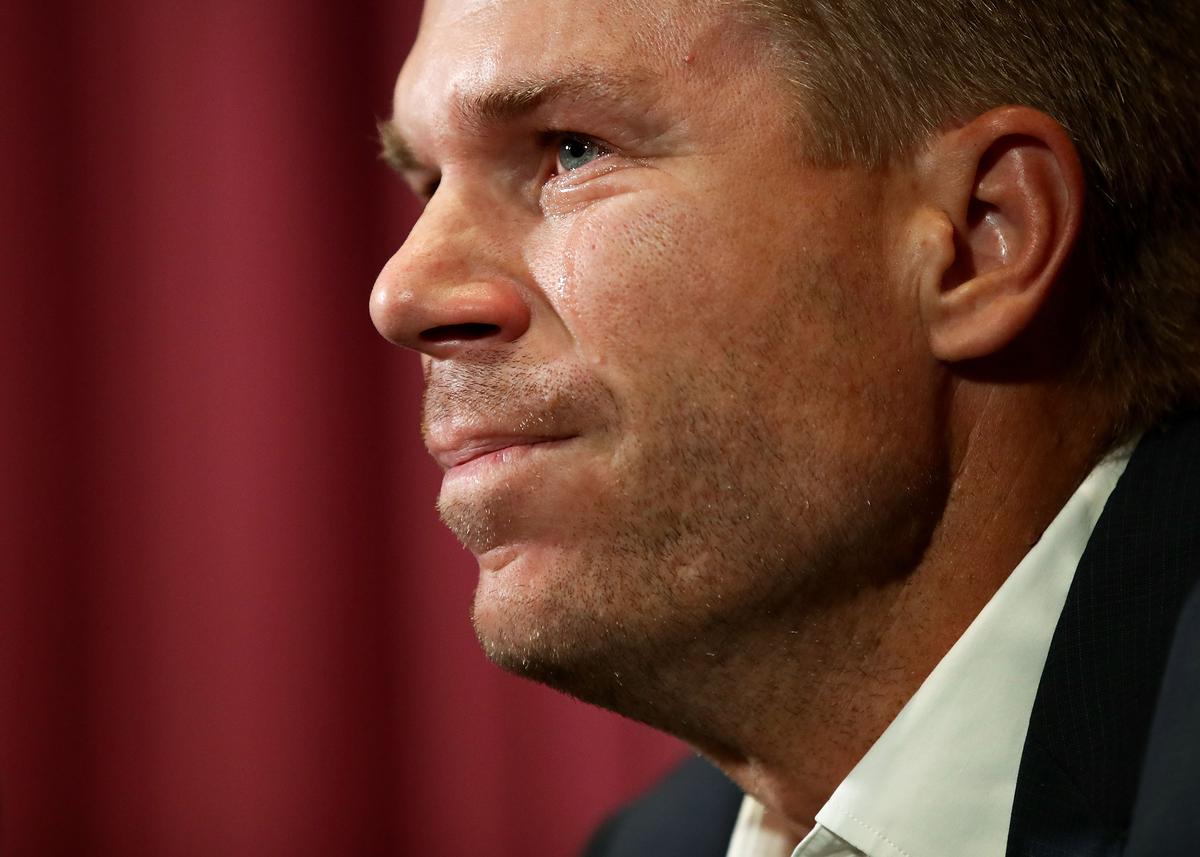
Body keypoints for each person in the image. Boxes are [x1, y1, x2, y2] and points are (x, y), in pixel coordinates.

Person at [369, 0, 1200, 854]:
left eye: (570, 151)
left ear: (983, 235)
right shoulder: (653, 844)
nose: (401, 294)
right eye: (428, 183)